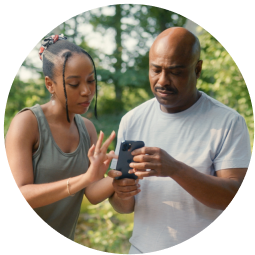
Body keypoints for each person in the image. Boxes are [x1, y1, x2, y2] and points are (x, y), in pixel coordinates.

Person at [107, 27, 251, 254]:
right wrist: (121, 192)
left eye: (175, 71)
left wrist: (174, 169)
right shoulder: (132, 120)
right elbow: (123, 207)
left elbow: (231, 195)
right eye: (156, 70)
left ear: (198, 69)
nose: (163, 81)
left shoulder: (228, 122)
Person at [5, 34, 118, 241]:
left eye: (91, 81)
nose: (87, 91)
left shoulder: (87, 129)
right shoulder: (27, 123)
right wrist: (83, 178)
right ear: (50, 84)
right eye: (74, 84)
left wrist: (123, 174)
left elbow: (92, 193)